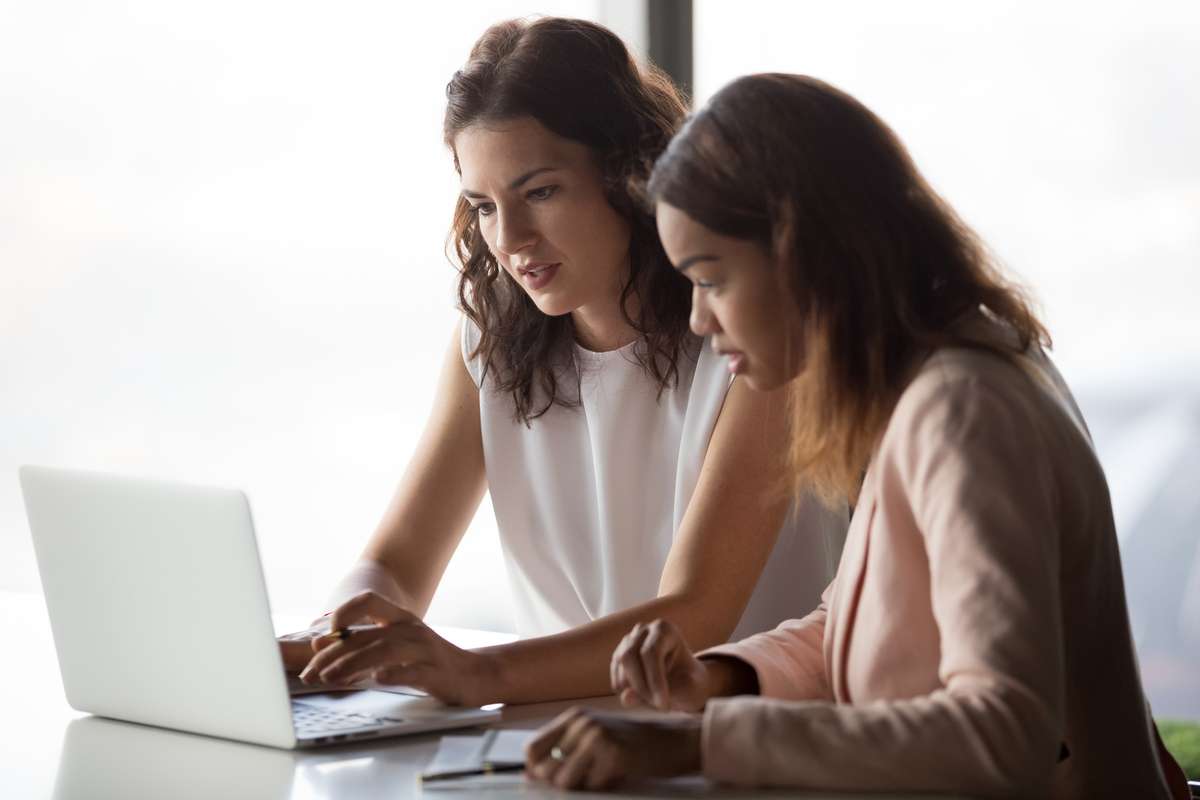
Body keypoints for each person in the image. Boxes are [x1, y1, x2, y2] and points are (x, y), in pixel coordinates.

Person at [525, 74, 1190, 799]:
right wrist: (714, 681)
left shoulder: (964, 412)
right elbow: (849, 618)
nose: (698, 320)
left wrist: (699, 743)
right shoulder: (930, 381)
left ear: (805, 255)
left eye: (711, 279)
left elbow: (1005, 732)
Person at [280, 24, 845, 707]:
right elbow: (397, 564)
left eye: (540, 192)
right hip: (555, 739)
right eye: (483, 206)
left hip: (734, 742)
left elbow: (694, 618)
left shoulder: (750, 334)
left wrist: (475, 674)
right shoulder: (490, 340)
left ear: (629, 175)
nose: (510, 240)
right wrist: (332, 637)